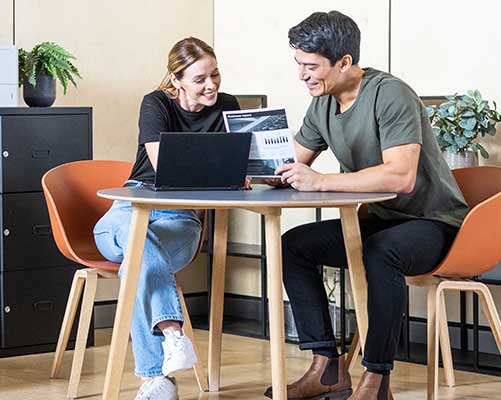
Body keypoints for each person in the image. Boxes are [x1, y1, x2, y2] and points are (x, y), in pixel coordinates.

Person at [264, 11, 469, 400]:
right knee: (294, 245)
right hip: (380, 219)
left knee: (380, 252)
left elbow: (401, 176)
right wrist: (251, 171)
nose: (303, 75)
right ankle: (326, 367)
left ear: (344, 62)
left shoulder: (390, 94)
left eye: (311, 66)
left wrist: (322, 182)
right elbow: (292, 162)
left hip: (434, 222)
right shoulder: (323, 103)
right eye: (299, 65)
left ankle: (376, 380)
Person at [93, 37, 239, 400]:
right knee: (136, 242)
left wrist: (241, 170)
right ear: (176, 80)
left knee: (136, 263)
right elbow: (164, 166)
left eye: (215, 74)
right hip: (129, 209)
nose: (211, 85)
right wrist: (221, 171)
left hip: (180, 218)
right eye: (200, 79)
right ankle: (173, 334)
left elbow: (241, 169)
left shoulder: (228, 107)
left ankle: (157, 380)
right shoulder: (155, 103)